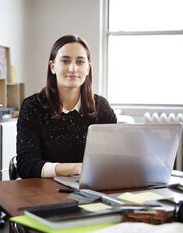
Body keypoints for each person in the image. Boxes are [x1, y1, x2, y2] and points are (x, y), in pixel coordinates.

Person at [16, 35, 117, 179]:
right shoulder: (32, 107)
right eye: (65, 61)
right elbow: (27, 166)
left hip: (89, 189)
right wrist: (76, 168)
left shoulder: (102, 108)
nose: (73, 68)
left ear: (88, 68)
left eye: (80, 62)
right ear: (53, 67)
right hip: (42, 190)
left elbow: (114, 159)